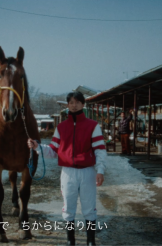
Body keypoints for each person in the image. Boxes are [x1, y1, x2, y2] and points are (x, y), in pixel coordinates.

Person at [27, 92, 107, 246]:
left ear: (83, 104)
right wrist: (38, 147)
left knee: (89, 208)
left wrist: (100, 170)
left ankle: (91, 241)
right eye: (71, 102)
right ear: (67, 104)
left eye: (77, 102)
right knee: (68, 208)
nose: (74, 105)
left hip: (87, 172)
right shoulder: (61, 127)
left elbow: (100, 150)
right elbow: (53, 150)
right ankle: (71, 241)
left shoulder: (93, 126)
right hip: (68, 173)